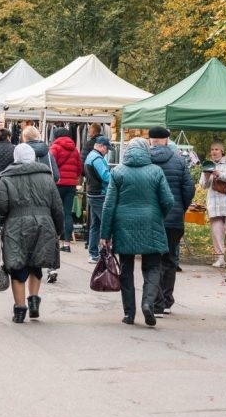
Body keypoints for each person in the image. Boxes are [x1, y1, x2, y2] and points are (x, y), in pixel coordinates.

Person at [100, 137, 173, 327]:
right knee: (152, 267)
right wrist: (158, 215)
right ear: (146, 151)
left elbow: (109, 205)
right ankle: (148, 303)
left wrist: (104, 234)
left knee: (126, 268)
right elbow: (168, 200)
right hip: (151, 222)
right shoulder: (156, 171)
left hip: (123, 224)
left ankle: (129, 313)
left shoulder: (118, 172)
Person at [0, 143, 64, 323]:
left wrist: (4, 217)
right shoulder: (47, 177)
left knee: (17, 266)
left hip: (16, 225)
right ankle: (33, 300)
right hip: (44, 224)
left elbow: (1, 205)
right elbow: (57, 206)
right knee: (36, 263)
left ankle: (20, 310)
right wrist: (59, 229)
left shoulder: (7, 177)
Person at [147, 126, 194, 317]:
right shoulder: (179, 160)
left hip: (150, 217)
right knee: (170, 258)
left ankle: (155, 303)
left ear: (150, 141)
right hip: (174, 218)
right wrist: (180, 208)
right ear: (167, 140)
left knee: (153, 259)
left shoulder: (145, 160)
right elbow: (189, 188)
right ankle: (166, 301)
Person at [199, 141, 226, 267]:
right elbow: (203, 185)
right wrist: (207, 175)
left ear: (222, 151)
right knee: (217, 233)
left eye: (217, 149)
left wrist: (220, 174)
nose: (214, 151)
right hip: (214, 203)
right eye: (212, 149)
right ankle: (220, 258)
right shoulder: (208, 164)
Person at [49, 127, 83, 252]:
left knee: (55, 211)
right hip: (71, 185)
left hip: (57, 184)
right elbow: (80, 168)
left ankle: (54, 241)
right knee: (67, 213)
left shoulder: (55, 147)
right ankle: (67, 243)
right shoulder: (75, 150)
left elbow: (51, 165)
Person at [83, 136, 112, 264]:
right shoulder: (97, 159)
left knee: (95, 225)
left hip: (92, 194)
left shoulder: (90, 156)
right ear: (102, 146)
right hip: (100, 195)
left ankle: (93, 253)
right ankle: (104, 252)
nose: (107, 152)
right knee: (105, 224)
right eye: (107, 149)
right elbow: (106, 177)